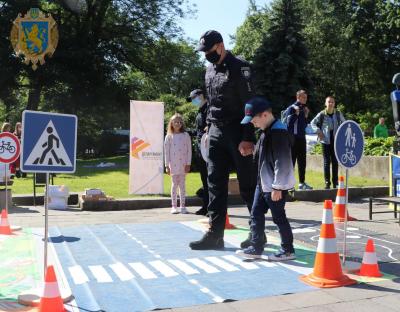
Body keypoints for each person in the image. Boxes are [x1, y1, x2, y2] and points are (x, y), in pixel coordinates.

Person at [189, 30, 257, 250]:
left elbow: (250, 104)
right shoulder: (209, 70)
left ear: (220, 45)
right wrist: (208, 127)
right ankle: (215, 234)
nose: (205, 55)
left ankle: (257, 232)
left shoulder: (240, 67)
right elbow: (211, 102)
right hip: (216, 132)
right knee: (215, 185)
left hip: (238, 131)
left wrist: (248, 138)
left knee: (248, 184)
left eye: (208, 50)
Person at [236, 96, 296, 260]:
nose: (252, 123)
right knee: (256, 213)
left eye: (253, 119)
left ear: (264, 115)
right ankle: (256, 247)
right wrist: (254, 150)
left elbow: (282, 161)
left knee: (278, 217)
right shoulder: (267, 131)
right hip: (263, 183)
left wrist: (278, 187)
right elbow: (268, 153)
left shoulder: (278, 132)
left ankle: (288, 250)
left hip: (274, 186)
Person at [311, 96, 345, 189]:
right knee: (327, 162)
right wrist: (318, 131)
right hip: (325, 141)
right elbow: (312, 123)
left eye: (332, 102)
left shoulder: (338, 114)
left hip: (335, 141)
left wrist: (342, 135)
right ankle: (327, 182)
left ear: (334, 104)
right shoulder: (321, 114)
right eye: (329, 102)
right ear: (325, 104)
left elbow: (344, 123)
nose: (331, 104)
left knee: (335, 162)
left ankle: (335, 182)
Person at [187, 89, 209, 216]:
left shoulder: (209, 110)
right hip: (201, 149)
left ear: (201, 96)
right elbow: (199, 131)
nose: (193, 101)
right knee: (204, 180)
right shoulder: (200, 111)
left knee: (210, 180)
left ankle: (211, 208)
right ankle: (206, 206)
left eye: (194, 98)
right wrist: (186, 132)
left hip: (208, 149)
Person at [164, 113, 192, 214]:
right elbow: (166, 152)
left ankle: (183, 206)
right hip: (173, 166)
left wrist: (188, 164)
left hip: (183, 165)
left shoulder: (186, 135)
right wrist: (166, 165)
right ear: (171, 123)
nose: (178, 124)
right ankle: (174, 206)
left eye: (180, 122)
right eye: (175, 122)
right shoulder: (169, 137)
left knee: (182, 186)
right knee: (174, 185)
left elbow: (189, 150)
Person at [286, 90, 313, 190]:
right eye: (303, 97)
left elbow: (304, 125)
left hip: (302, 138)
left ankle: (302, 183)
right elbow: (289, 124)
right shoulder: (292, 108)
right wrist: (295, 114)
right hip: (293, 138)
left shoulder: (303, 108)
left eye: (306, 97)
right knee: (291, 161)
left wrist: (305, 116)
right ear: (298, 97)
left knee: (302, 161)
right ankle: (289, 185)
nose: (305, 99)